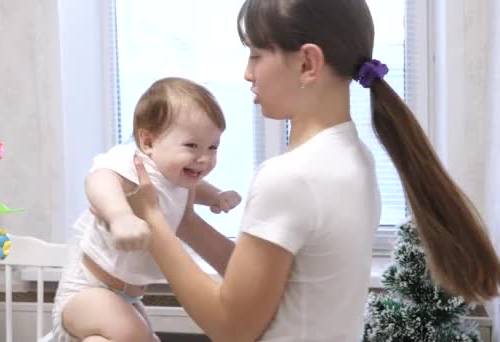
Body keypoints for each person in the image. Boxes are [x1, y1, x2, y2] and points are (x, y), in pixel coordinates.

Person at [127, 0, 500, 341]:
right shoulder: (353, 157)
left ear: (308, 63)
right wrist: (186, 223)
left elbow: (231, 325)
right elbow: (269, 283)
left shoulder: (291, 176)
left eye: (256, 55)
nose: (246, 73)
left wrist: (154, 224)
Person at [51, 77, 242, 342]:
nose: (204, 158)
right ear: (148, 142)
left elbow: (194, 187)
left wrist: (215, 196)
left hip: (129, 298)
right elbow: (99, 179)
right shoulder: (135, 164)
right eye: (192, 146)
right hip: (87, 289)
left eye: (213, 147)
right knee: (130, 333)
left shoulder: (179, 179)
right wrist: (120, 216)